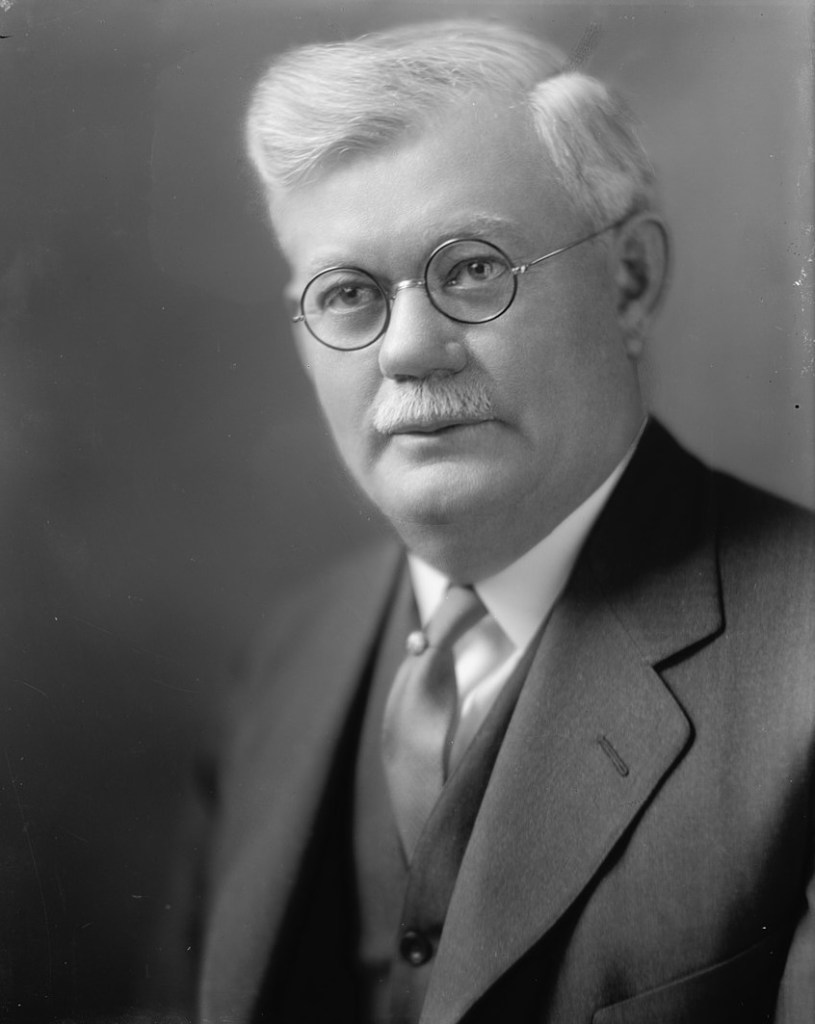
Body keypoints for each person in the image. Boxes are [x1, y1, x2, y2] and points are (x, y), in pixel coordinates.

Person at [195, 19, 815, 1024]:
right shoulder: (288, 657)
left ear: (629, 280)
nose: (407, 350)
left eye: (472, 269)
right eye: (347, 293)